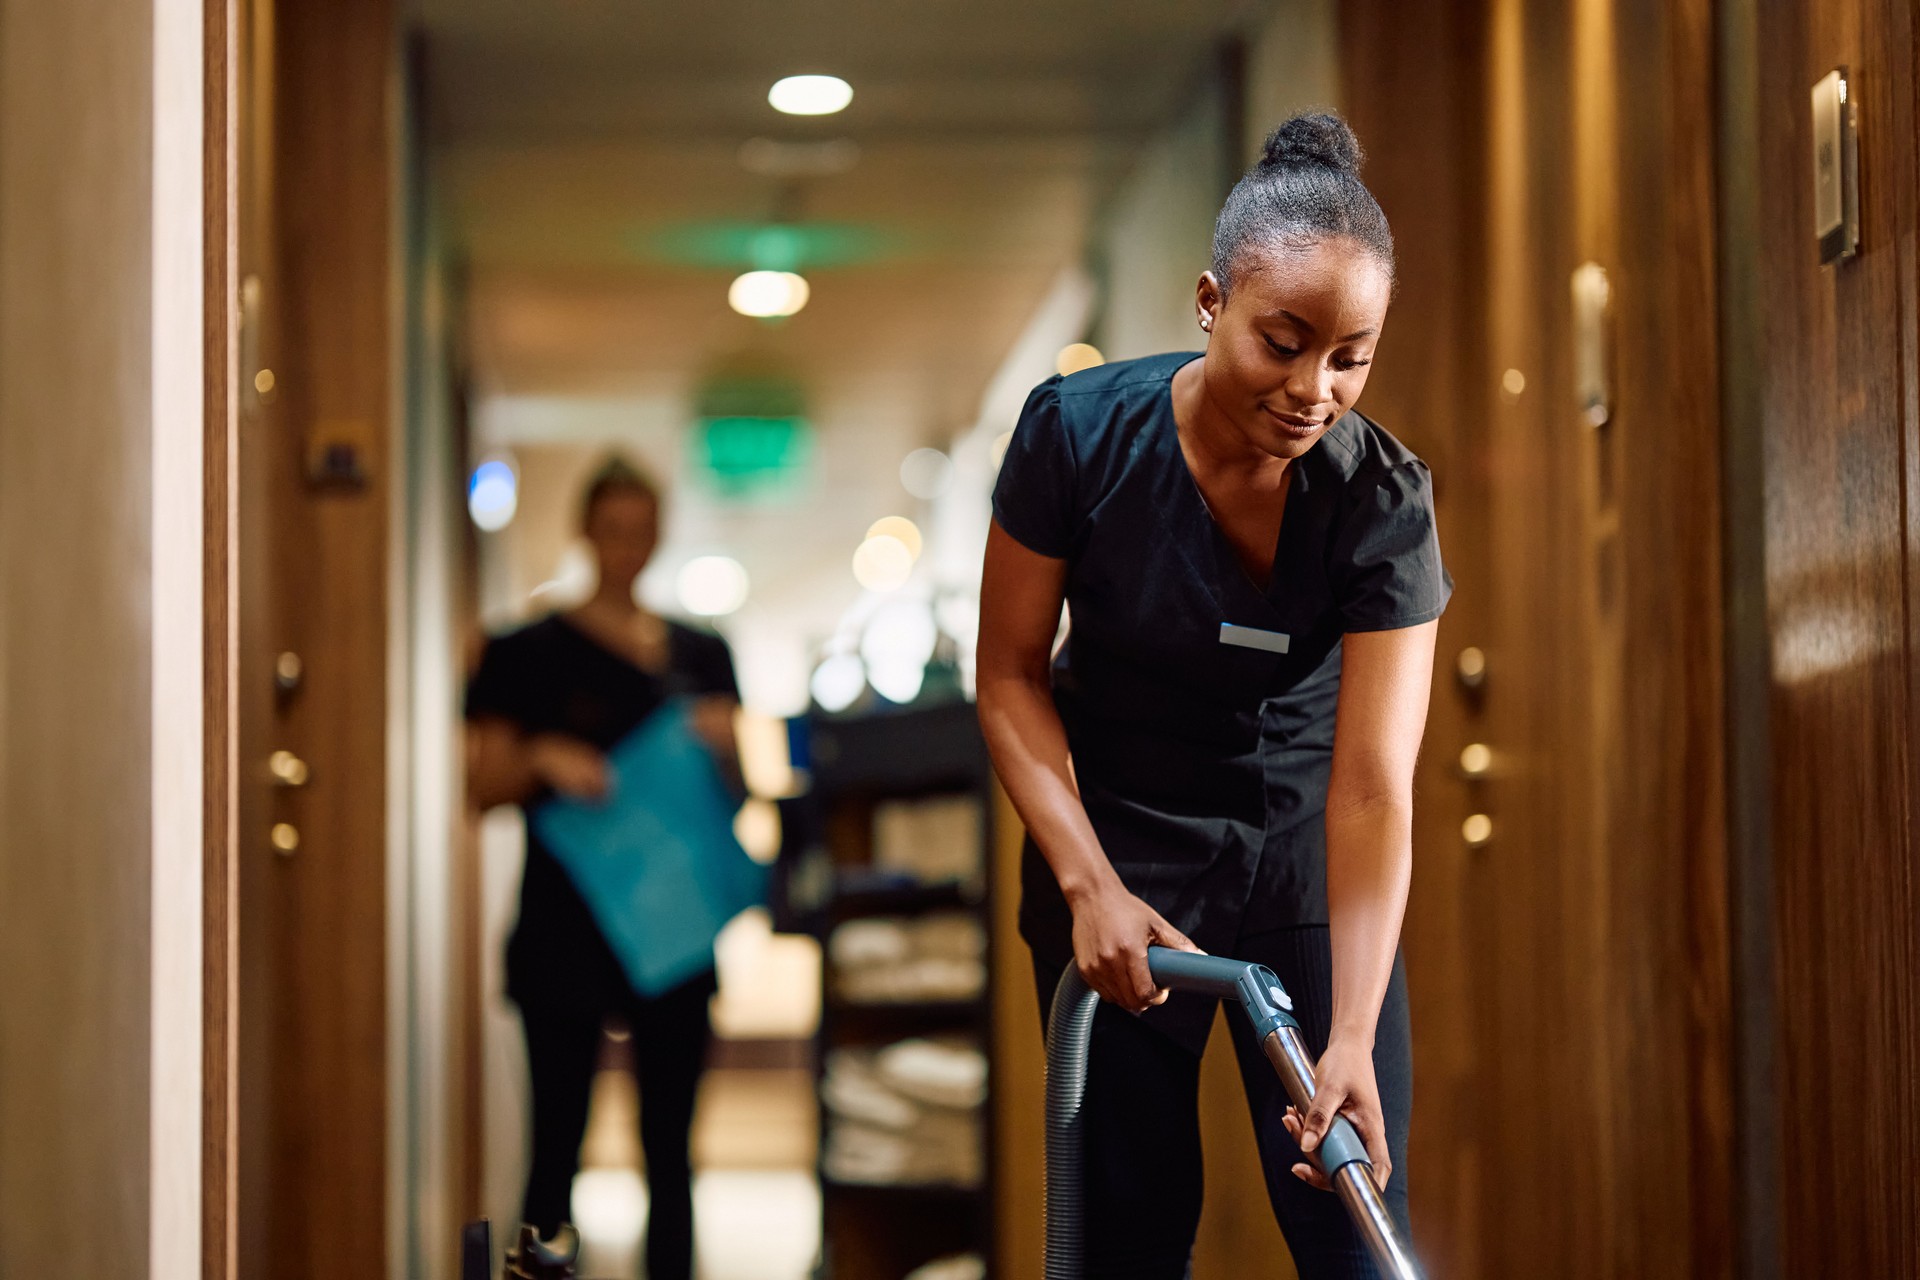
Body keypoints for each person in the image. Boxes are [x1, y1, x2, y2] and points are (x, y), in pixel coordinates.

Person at [976, 112, 1449, 1279]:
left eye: (1351, 357)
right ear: (1209, 301)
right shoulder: (1078, 437)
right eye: (1283, 342)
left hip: (1302, 859)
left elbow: (1373, 787)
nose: (1313, 389)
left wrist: (1349, 1029)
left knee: (1348, 1220)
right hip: (1119, 850)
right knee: (1126, 1232)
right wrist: (1089, 885)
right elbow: (1009, 673)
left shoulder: (1382, 502)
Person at [466, 455, 741, 1280]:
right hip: (564, 929)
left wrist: (728, 749)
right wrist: (542, 757)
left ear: (660, 535)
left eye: (641, 531)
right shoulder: (526, 651)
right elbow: (482, 784)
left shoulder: (701, 653)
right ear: (585, 531)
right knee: (556, 1150)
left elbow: (737, 798)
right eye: (612, 529)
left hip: (674, 928)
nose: (626, 547)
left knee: (671, 1152)